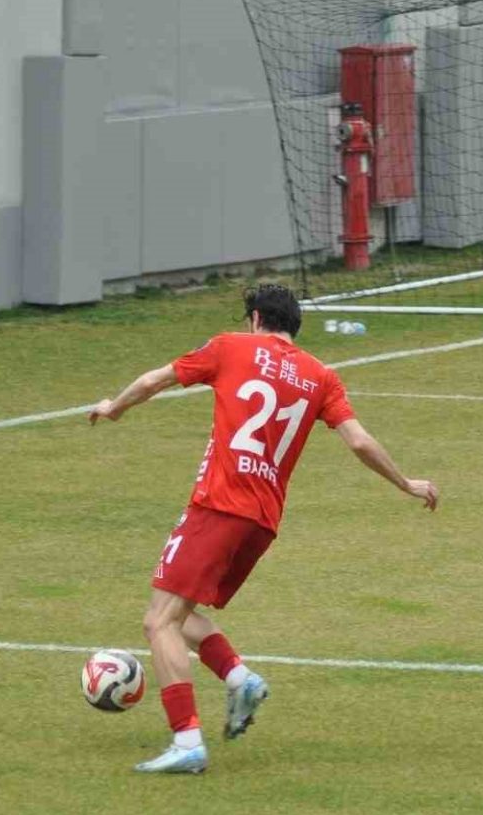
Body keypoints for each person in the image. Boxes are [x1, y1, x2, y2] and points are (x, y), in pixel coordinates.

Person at [88, 283, 438, 774]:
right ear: (294, 326)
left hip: (218, 505)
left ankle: (187, 741)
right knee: (178, 612)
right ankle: (239, 678)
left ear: (255, 318)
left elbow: (154, 380)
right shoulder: (321, 377)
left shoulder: (229, 347)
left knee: (158, 622)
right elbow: (359, 442)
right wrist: (406, 483)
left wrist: (115, 407)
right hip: (261, 522)